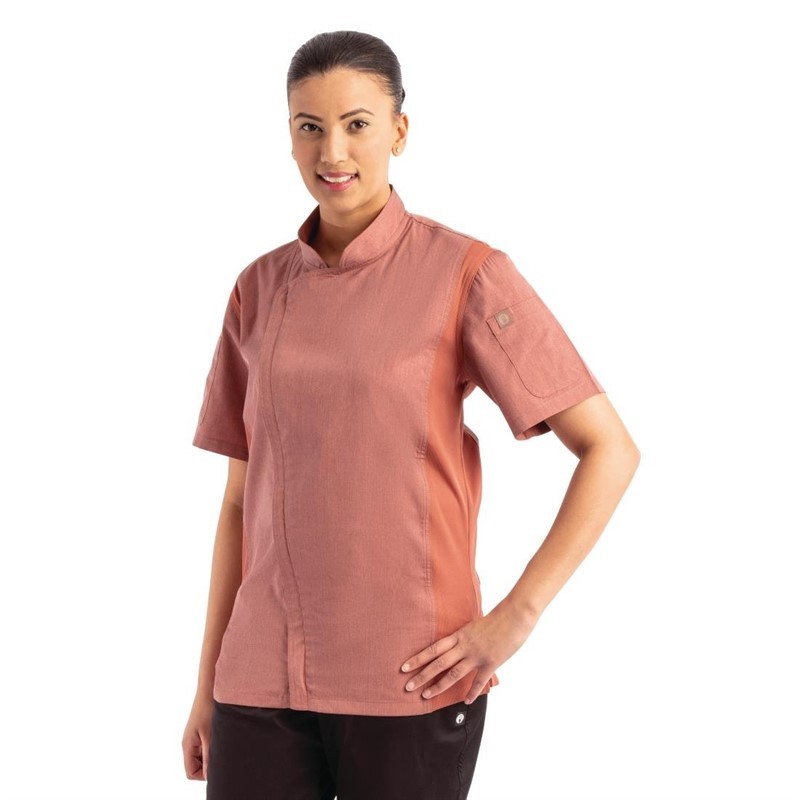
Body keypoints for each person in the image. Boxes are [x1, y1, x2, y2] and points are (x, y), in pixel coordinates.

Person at [181, 29, 640, 800]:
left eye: (357, 124)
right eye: (310, 126)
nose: (333, 151)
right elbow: (237, 504)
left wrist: (516, 617)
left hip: (410, 677)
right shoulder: (255, 290)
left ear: (398, 131)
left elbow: (609, 449)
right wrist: (207, 686)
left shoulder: (466, 274)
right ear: (288, 135)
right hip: (258, 684)